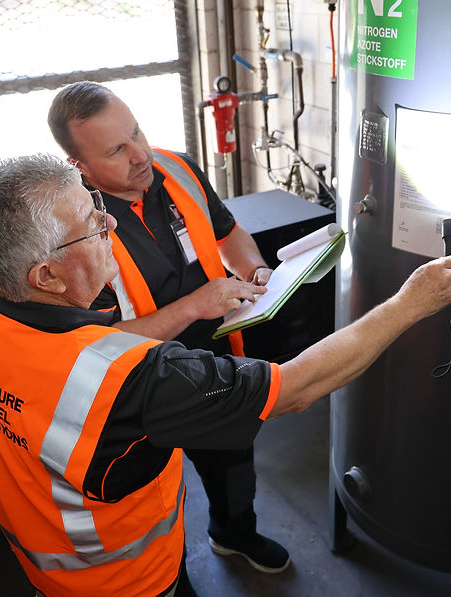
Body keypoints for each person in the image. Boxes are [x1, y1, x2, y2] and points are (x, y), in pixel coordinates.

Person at [0, 153, 451, 597]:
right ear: (47, 276)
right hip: (127, 580)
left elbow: (20, 386)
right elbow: (295, 388)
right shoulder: (133, 381)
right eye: (91, 224)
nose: (109, 221)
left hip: (38, 564)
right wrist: (407, 306)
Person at [47, 81, 288, 572]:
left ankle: (234, 534)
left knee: (233, 461)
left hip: (212, 358)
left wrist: (254, 269)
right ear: (80, 168)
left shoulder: (177, 169)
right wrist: (195, 306)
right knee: (149, 498)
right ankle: (168, 576)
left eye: (137, 133)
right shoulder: (67, 232)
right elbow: (91, 347)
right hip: (131, 387)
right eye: (117, 149)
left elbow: (228, 233)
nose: (141, 156)